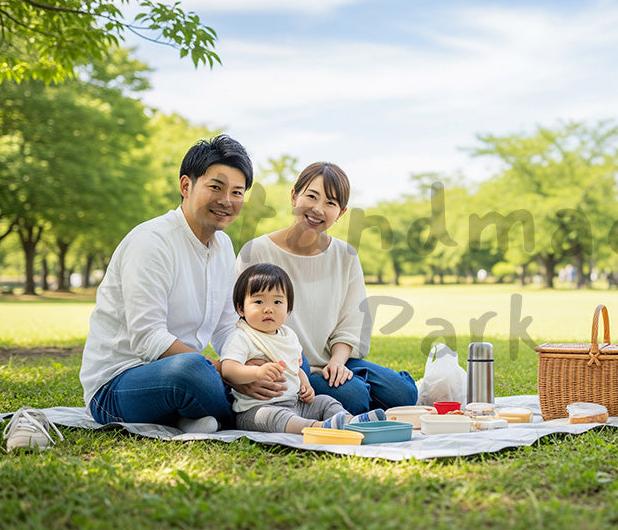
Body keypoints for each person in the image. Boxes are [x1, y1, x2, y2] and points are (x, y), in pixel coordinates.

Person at [80, 135, 253, 433]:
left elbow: (227, 328)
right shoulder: (152, 241)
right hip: (119, 384)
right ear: (186, 186)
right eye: (216, 187)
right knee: (192, 371)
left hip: (189, 375)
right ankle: (262, 412)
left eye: (237, 192)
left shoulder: (224, 246)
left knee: (286, 358)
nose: (227, 200)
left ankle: (199, 414)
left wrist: (249, 361)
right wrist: (226, 372)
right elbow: (148, 337)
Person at [237, 162, 418, 415]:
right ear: (294, 196)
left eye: (331, 203)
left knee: (404, 393)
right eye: (311, 196)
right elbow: (239, 318)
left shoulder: (345, 255)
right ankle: (353, 393)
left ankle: (355, 387)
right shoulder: (256, 251)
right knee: (352, 396)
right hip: (285, 366)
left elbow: (351, 323)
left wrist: (337, 362)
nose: (318, 209)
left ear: (341, 213)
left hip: (333, 361)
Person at [221, 263, 385, 433]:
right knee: (276, 417)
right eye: (258, 301)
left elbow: (295, 366)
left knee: (324, 401)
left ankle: (351, 421)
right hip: (257, 409)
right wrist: (256, 373)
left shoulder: (288, 335)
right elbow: (228, 369)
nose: (268, 309)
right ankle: (318, 427)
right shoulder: (242, 337)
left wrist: (305, 384)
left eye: (277, 302)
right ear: (241, 308)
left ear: (288, 309)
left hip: (295, 404)